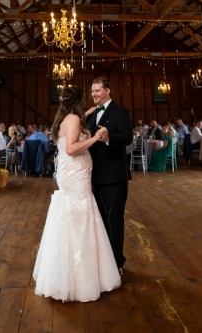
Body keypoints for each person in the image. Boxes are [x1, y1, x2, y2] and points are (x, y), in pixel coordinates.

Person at [33, 86, 121, 301]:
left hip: (73, 173)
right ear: (78, 101)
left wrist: (87, 115)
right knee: (79, 217)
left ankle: (69, 274)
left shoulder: (68, 117)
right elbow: (72, 148)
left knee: (75, 215)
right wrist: (95, 138)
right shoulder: (72, 119)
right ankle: (81, 279)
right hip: (76, 175)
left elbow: (65, 144)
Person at [84, 77, 133, 277]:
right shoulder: (90, 115)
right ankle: (102, 262)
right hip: (92, 177)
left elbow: (127, 137)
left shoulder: (120, 112)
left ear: (108, 91)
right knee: (99, 221)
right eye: (92, 91)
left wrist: (109, 138)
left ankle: (117, 262)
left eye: (97, 90)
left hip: (114, 177)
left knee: (114, 221)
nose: (94, 94)